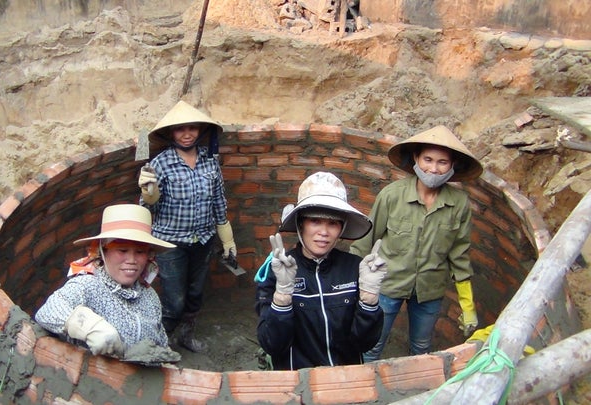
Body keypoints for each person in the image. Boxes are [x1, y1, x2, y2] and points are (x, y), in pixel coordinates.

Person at [349, 125, 483, 362]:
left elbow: (459, 254)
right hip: (389, 284)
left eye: (442, 162)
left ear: (452, 166)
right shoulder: (392, 195)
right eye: (428, 159)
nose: (433, 168)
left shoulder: (459, 203)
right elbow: (364, 242)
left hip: (429, 290)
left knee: (421, 347)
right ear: (415, 158)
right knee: (372, 345)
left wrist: (467, 304)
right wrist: (355, 288)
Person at [255, 171, 387, 370]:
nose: (324, 233)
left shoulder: (355, 268)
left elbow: (363, 344)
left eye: (333, 223)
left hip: (345, 380)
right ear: (301, 224)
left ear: (341, 229)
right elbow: (273, 345)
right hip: (299, 382)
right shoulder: (278, 271)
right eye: (315, 221)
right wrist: (282, 296)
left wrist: (369, 300)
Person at [137, 100, 237, 353]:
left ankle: (186, 336)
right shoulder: (160, 164)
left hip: (203, 240)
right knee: (175, 301)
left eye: (192, 128)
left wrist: (227, 241)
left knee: (194, 294)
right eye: (180, 129)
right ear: (171, 133)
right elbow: (147, 208)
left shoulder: (209, 161)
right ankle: (156, 343)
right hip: (170, 243)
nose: (186, 134)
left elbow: (218, 201)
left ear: (199, 131)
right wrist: (149, 194)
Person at [35, 204, 181, 364]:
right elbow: (47, 312)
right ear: (102, 251)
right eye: (122, 250)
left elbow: (160, 341)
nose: (132, 260)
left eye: (140, 252)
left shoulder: (150, 297)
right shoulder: (87, 285)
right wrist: (92, 327)